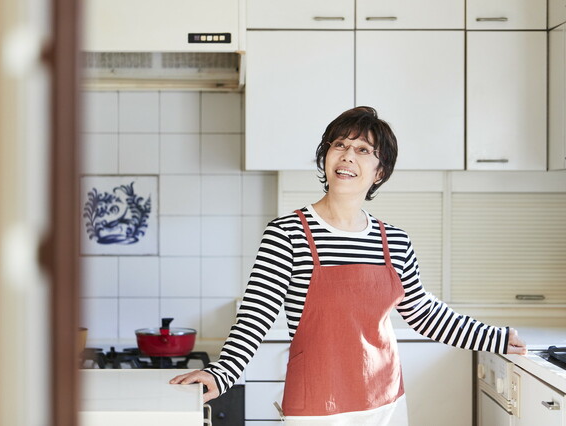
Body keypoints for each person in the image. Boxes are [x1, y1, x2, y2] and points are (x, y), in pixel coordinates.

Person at [170, 106, 527, 425]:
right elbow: (256, 314)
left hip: (385, 402)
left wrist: (494, 338)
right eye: (339, 144)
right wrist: (221, 373)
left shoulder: (394, 240)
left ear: (379, 172)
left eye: (363, 150)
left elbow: (423, 312)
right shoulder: (288, 233)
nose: (347, 156)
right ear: (325, 156)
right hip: (316, 405)